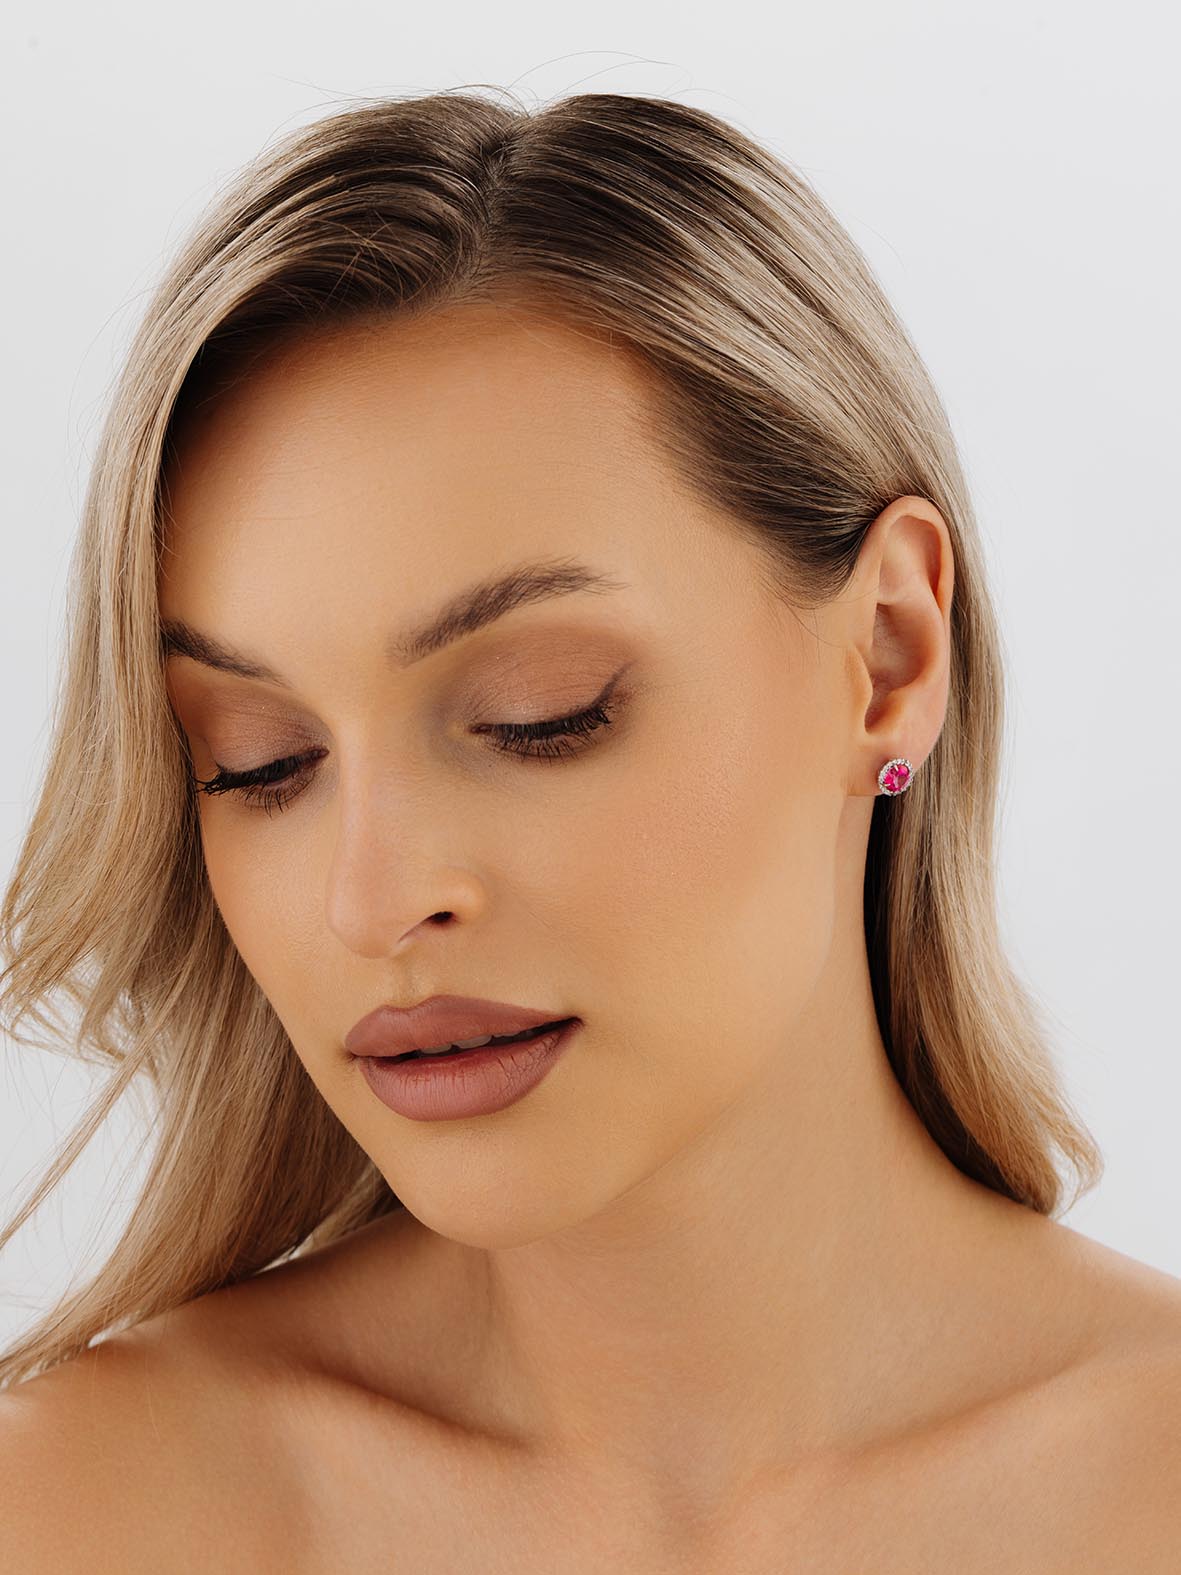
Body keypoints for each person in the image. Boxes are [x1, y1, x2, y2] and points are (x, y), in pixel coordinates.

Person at [2, 89, 1179, 1570]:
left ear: (888, 653)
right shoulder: (76, 1508)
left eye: (539, 716)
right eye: (260, 764)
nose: (372, 900)